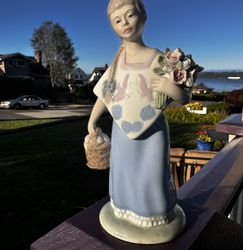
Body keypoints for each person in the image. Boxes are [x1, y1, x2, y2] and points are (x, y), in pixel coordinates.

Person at [87, 0, 192, 243]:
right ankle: (123, 208)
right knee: (123, 171)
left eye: (130, 15)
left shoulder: (158, 59)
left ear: (143, 18)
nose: (124, 23)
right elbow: (105, 93)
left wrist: (170, 88)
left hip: (152, 131)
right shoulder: (117, 61)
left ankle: (153, 216)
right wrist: (92, 121)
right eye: (117, 20)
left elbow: (184, 97)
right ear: (112, 27)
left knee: (150, 173)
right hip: (123, 129)